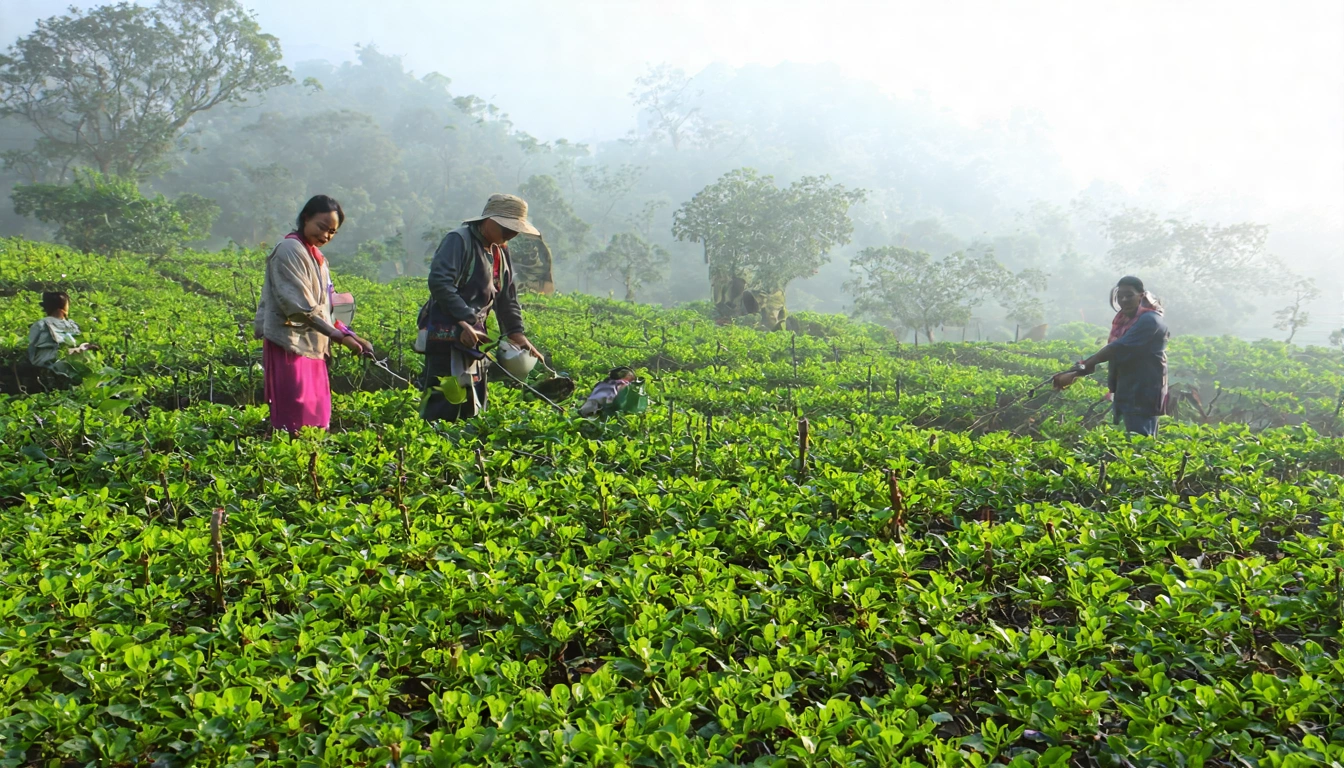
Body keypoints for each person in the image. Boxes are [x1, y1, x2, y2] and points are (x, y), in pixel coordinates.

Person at [253, 195, 375, 433]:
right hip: (290, 345)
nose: (326, 236)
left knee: (316, 415)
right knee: (295, 415)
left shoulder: (318, 258)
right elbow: (300, 307)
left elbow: (327, 305)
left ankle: (313, 466)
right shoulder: (289, 250)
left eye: (332, 232)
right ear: (306, 218)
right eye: (322, 227)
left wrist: (352, 335)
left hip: (315, 347)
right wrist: (340, 338)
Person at [420, 193, 542, 422]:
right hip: (447, 336)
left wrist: (516, 333)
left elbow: (506, 295)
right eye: (507, 227)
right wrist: (466, 320)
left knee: (473, 404)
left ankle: (466, 452)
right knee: (444, 403)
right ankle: (435, 452)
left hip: (475, 338)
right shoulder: (459, 240)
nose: (512, 234)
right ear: (489, 220)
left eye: (515, 229)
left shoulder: (499, 250)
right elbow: (440, 282)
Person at [1054, 275, 1169, 436]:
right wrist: (1076, 372)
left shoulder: (1150, 320)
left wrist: (1082, 368)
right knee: (1126, 443)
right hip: (1127, 390)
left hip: (1143, 393)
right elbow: (1113, 353)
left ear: (1141, 296)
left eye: (1129, 295)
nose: (1124, 300)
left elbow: (1116, 348)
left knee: (1141, 444)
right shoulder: (1126, 320)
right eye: (1120, 296)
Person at [27, 291, 98, 379]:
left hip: (66, 358)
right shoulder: (42, 324)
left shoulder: (70, 324)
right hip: (50, 361)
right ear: (61, 309)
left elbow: (30, 346)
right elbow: (32, 347)